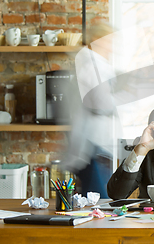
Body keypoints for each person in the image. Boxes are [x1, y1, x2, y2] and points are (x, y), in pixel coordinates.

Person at [63, 21, 117, 197]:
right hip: (91, 145)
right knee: (99, 202)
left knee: (96, 201)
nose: (111, 47)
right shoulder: (91, 66)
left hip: (95, 144)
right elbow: (101, 103)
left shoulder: (94, 64)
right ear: (96, 40)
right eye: (109, 41)